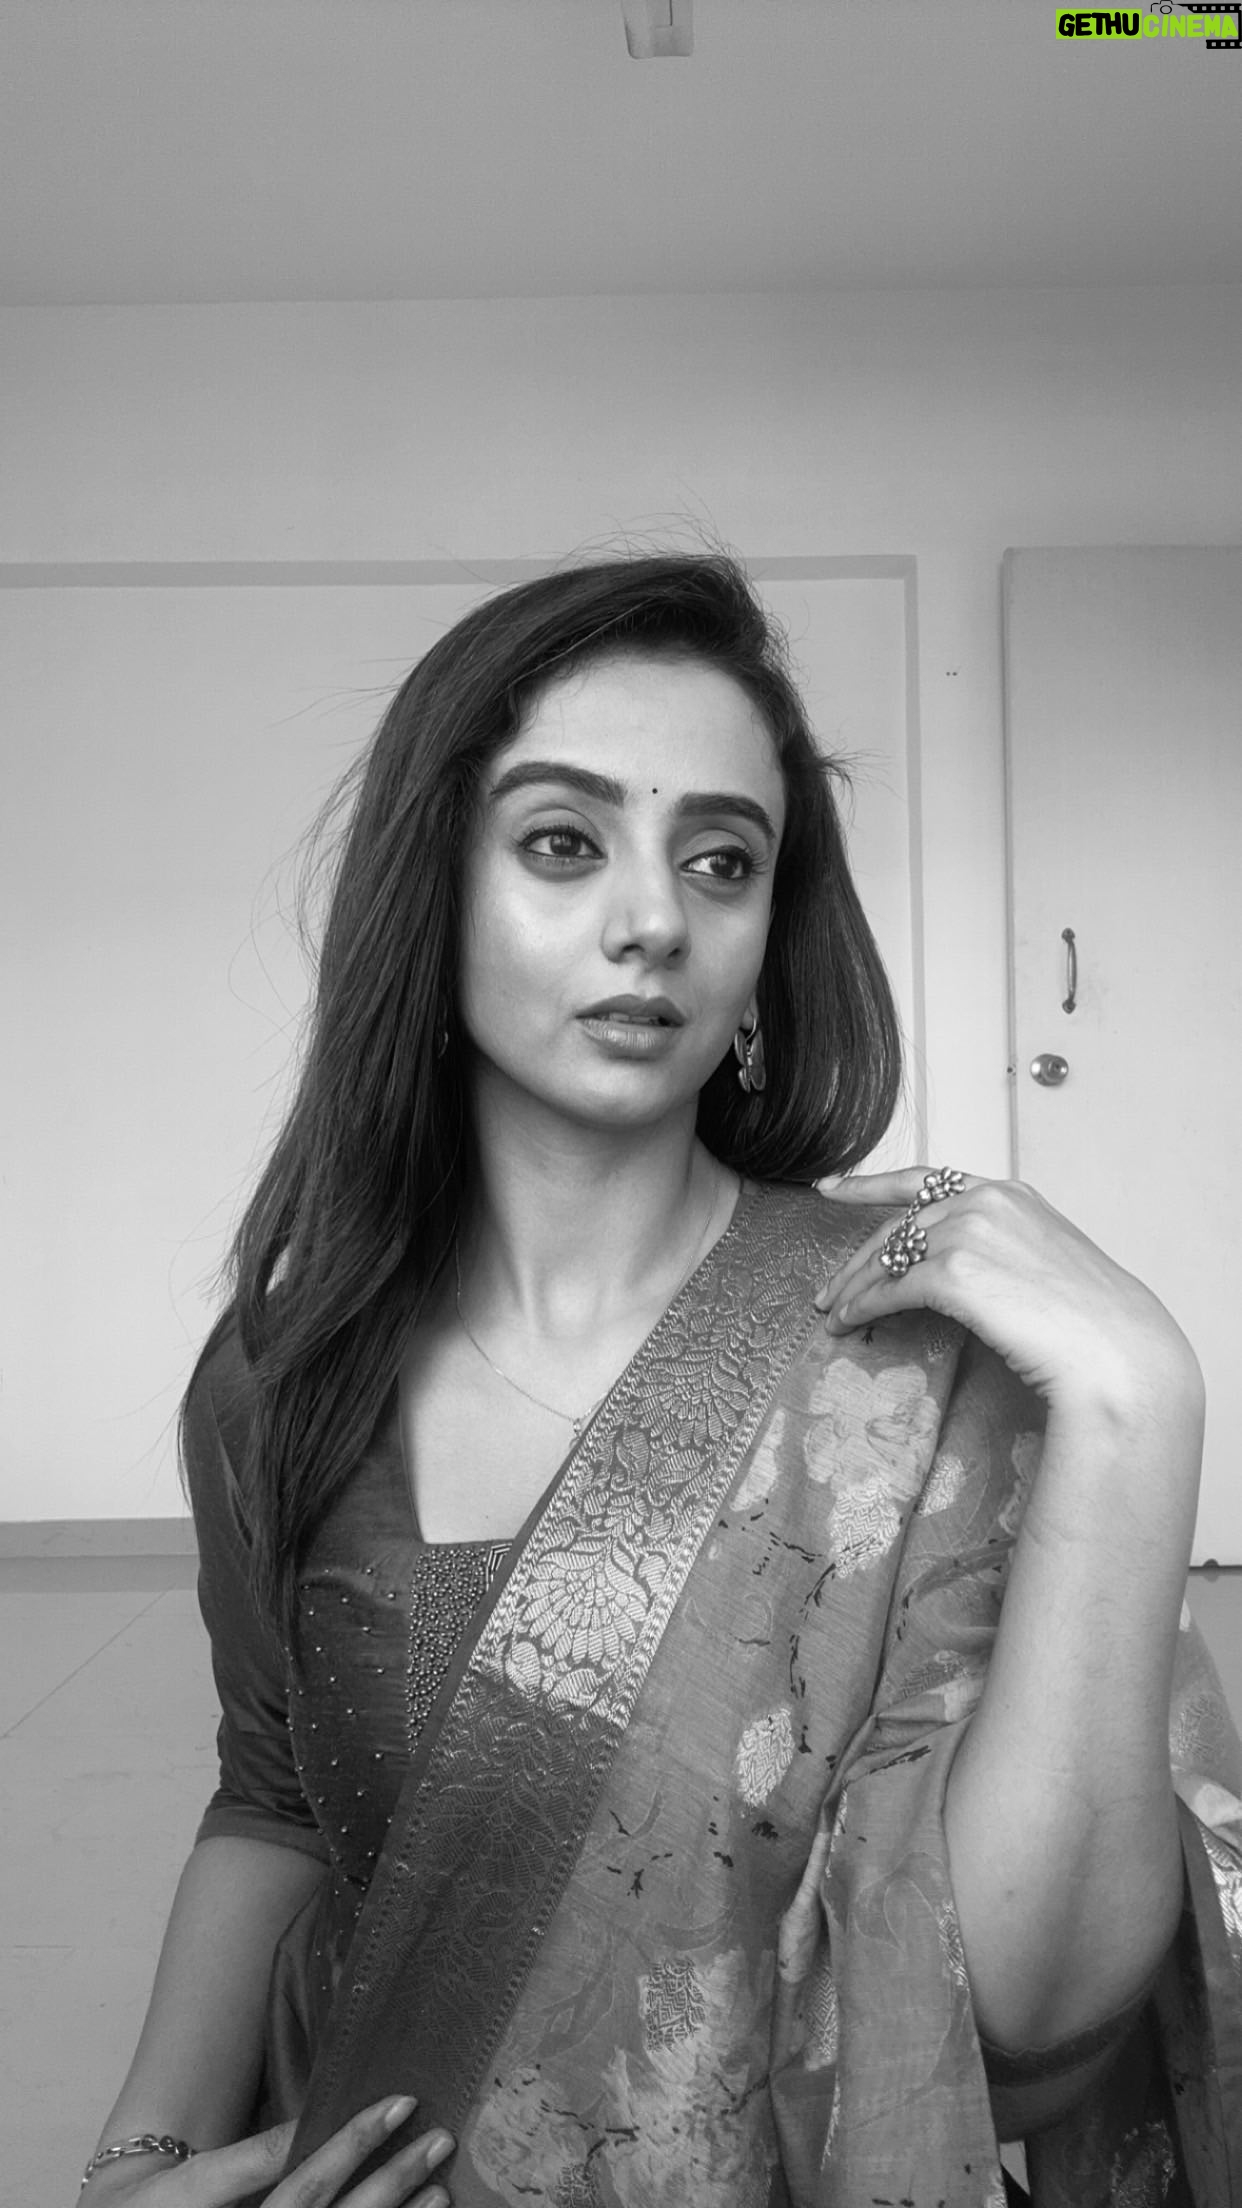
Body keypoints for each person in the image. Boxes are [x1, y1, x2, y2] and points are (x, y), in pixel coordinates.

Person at [78, 553, 1241, 2208]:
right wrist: (137, 2161)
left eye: (720, 860)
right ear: (430, 898)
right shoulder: (283, 1374)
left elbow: (1024, 2020)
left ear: (765, 945)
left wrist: (1138, 1410)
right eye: (562, 843)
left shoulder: (914, 1362)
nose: (653, 920)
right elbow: (271, 1798)